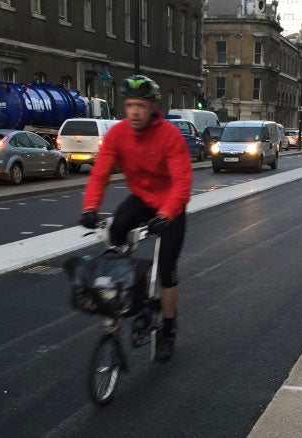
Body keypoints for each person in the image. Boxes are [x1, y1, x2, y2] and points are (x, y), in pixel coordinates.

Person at [79, 75, 193, 362]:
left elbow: (182, 182)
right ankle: (141, 303)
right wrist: (90, 207)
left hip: (171, 205)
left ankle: (168, 327)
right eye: (129, 105)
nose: (134, 112)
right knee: (117, 233)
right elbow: (101, 172)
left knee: (167, 268)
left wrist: (166, 214)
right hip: (142, 198)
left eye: (140, 105)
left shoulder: (169, 136)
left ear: (153, 106)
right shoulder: (118, 134)